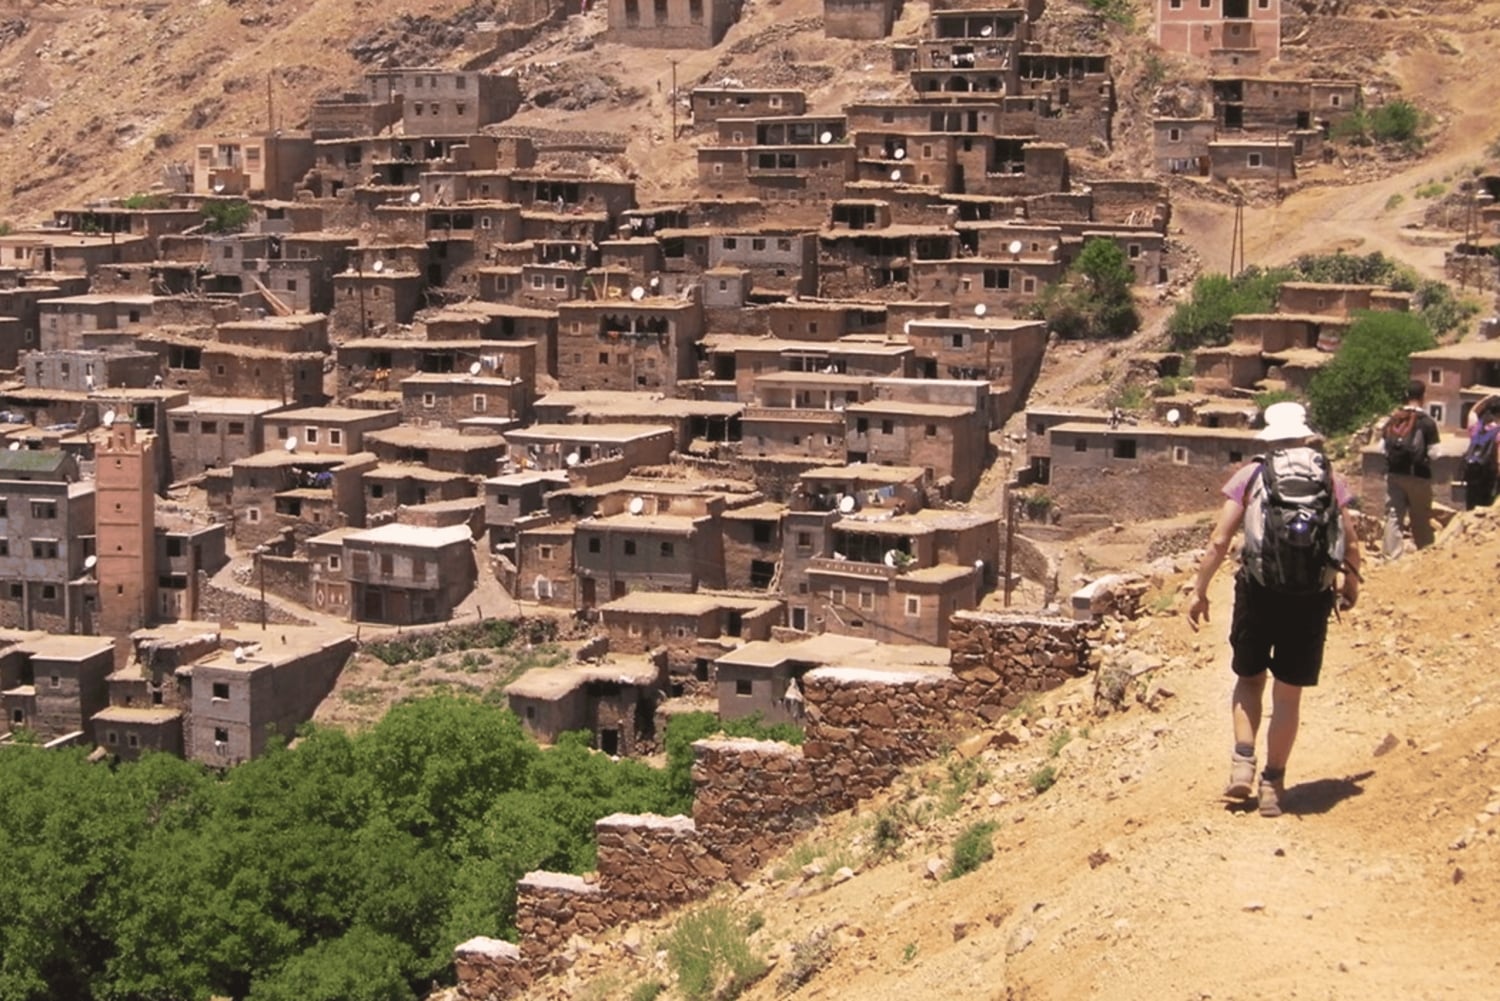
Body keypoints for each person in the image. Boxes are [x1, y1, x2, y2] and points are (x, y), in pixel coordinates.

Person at [1188, 402, 1361, 818]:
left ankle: (1242, 765)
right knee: (1288, 696)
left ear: (1269, 437)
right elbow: (1351, 542)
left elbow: (1219, 539)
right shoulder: (1329, 478)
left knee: (1249, 681)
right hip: (1309, 600)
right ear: (1304, 437)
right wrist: (1350, 585)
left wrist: (1199, 589)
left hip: (1258, 590)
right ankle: (1273, 785)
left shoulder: (1251, 476)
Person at [1382, 379, 1441, 558]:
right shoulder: (1427, 423)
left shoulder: (1393, 420)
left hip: (1394, 474)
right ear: (1423, 397)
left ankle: (1392, 558)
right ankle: (1426, 556)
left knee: (1393, 515)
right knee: (1420, 517)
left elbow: (1381, 448)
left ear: (1406, 396)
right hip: (1419, 476)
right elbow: (1435, 453)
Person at [1462, 395, 1500, 510]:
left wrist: (1487, 399)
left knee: (1471, 504)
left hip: (1472, 471)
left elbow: (1473, 411)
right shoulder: (1498, 431)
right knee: (1486, 506)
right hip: (1488, 474)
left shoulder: (1476, 427)